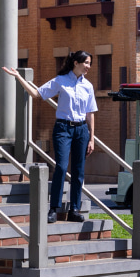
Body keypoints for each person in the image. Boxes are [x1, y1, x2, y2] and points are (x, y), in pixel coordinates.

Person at [39, 50, 97, 222]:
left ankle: (74, 209)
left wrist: (92, 138)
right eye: (86, 63)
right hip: (63, 128)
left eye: (89, 63)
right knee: (62, 167)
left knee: (79, 171)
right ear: (76, 63)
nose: (88, 67)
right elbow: (38, 93)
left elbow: (90, 113)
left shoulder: (88, 86)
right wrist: (19, 79)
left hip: (81, 130)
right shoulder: (61, 81)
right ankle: (54, 208)